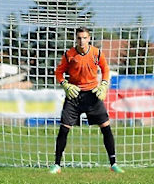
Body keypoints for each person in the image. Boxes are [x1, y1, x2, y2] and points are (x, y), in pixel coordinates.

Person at [51, 27, 124, 174]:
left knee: (106, 126)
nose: (81, 41)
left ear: (89, 38)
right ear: (75, 39)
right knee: (64, 129)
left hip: (92, 95)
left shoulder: (97, 53)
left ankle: (113, 164)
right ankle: (57, 165)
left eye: (84, 38)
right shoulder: (69, 55)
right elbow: (58, 72)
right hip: (74, 95)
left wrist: (104, 84)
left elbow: (106, 69)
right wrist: (65, 84)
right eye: (79, 38)